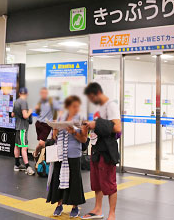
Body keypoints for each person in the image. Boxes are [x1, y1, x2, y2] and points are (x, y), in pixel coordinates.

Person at [82, 82, 121, 220]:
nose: (91, 101)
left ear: (96, 94)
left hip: (106, 150)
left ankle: (112, 213)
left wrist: (96, 124)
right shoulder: (100, 107)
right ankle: (98, 209)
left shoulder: (111, 105)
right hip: (96, 148)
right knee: (97, 182)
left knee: (109, 183)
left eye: (91, 98)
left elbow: (117, 127)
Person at [47, 95, 87, 217]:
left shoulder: (81, 118)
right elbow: (54, 137)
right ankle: (59, 204)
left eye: (77, 106)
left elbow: (84, 139)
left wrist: (74, 132)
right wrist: (55, 129)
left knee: (74, 180)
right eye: (73, 106)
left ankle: (75, 207)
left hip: (73, 154)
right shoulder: (61, 116)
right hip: (60, 153)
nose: (75, 108)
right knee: (58, 178)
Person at [12, 87, 35, 175]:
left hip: (17, 127)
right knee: (24, 147)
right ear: (27, 94)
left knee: (17, 146)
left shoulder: (16, 101)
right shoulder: (24, 102)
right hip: (22, 128)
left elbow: (12, 114)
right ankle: (27, 166)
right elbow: (25, 116)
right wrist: (30, 111)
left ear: (19, 93)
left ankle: (17, 164)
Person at [34, 87, 61, 158]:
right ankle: (42, 159)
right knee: (41, 144)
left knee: (41, 143)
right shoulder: (40, 101)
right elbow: (38, 112)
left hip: (47, 125)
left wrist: (57, 120)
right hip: (38, 123)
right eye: (42, 93)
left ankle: (35, 154)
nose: (43, 94)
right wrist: (36, 109)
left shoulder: (52, 101)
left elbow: (59, 110)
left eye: (45, 93)